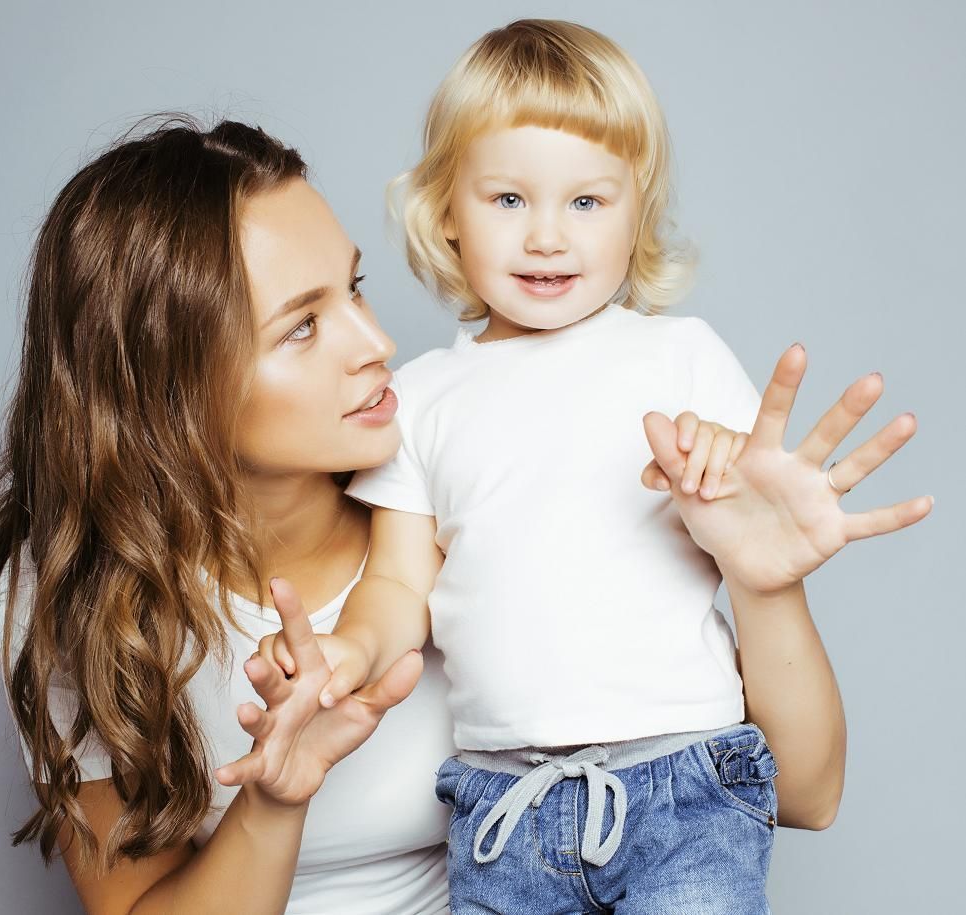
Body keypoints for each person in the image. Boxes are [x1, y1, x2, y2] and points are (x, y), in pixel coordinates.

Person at [253, 20, 932, 913]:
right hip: (502, 807)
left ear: (635, 211)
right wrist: (350, 650)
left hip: (682, 784)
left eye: (586, 202)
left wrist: (727, 472)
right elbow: (395, 585)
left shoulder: (680, 358)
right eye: (506, 200)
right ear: (445, 212)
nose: (546, 237)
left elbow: (750, 492)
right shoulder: (418, 398)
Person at [0, 117, 454, 914]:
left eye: (353, 287)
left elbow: (709, 778)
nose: (377, 341)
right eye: (301, 326)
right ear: (170, 392)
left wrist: (756, 586)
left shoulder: (457, 475)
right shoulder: (72, 585)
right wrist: (273, 802)